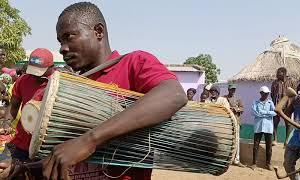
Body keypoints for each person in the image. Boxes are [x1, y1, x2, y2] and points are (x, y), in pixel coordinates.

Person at [0, 2, 187, 179]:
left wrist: (88, 141)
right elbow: (67, 154)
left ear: (98, 31)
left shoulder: (132, 64)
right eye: (59, 41)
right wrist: (26, 170)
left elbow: (173, 94)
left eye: (69, 37)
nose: (62, 48)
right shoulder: (69, 86)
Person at [3, 48, 56, 162]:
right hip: (21, 141)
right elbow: (14, 105)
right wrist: (6, 123)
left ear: (51, 67)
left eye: (40, 71)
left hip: (47, 146)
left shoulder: (58, 82)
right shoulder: (23, 80)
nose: (35, 75)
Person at [251, 86, 277, 171]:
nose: (266, 95)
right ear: (261, 93)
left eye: (267, 93)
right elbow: (254, 113)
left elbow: (275, 113)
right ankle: (254, 163)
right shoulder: (255, 102)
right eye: (265, 93)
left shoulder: (270, 102)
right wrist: (266, 114)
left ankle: (268, 163)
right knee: (255, 145)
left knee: (269, 146)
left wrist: (264, 113)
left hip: (268, 127)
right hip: (258, 126)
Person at [271, 67, 297, 146]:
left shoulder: (291, 82)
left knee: (288, 123)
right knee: (275, 122)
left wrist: (291, 104)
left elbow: (294, 94)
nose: (277, 74)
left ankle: (287, 140)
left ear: (284, 74)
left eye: (279, 73)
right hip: (277, 106)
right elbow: (272, 94)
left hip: (288, 106)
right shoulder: (275, 82)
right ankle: (275, 139)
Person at [224, 83, 245, 167]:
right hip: (226, 121)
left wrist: (236, 109)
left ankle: (236, 159)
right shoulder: (224, 98)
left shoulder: (238, 99)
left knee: (236, 140)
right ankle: (226, 158)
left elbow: (242, 109)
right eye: (231, 89)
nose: (233, 91)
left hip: (236, 121)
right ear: (228, 89)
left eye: (234, 89)